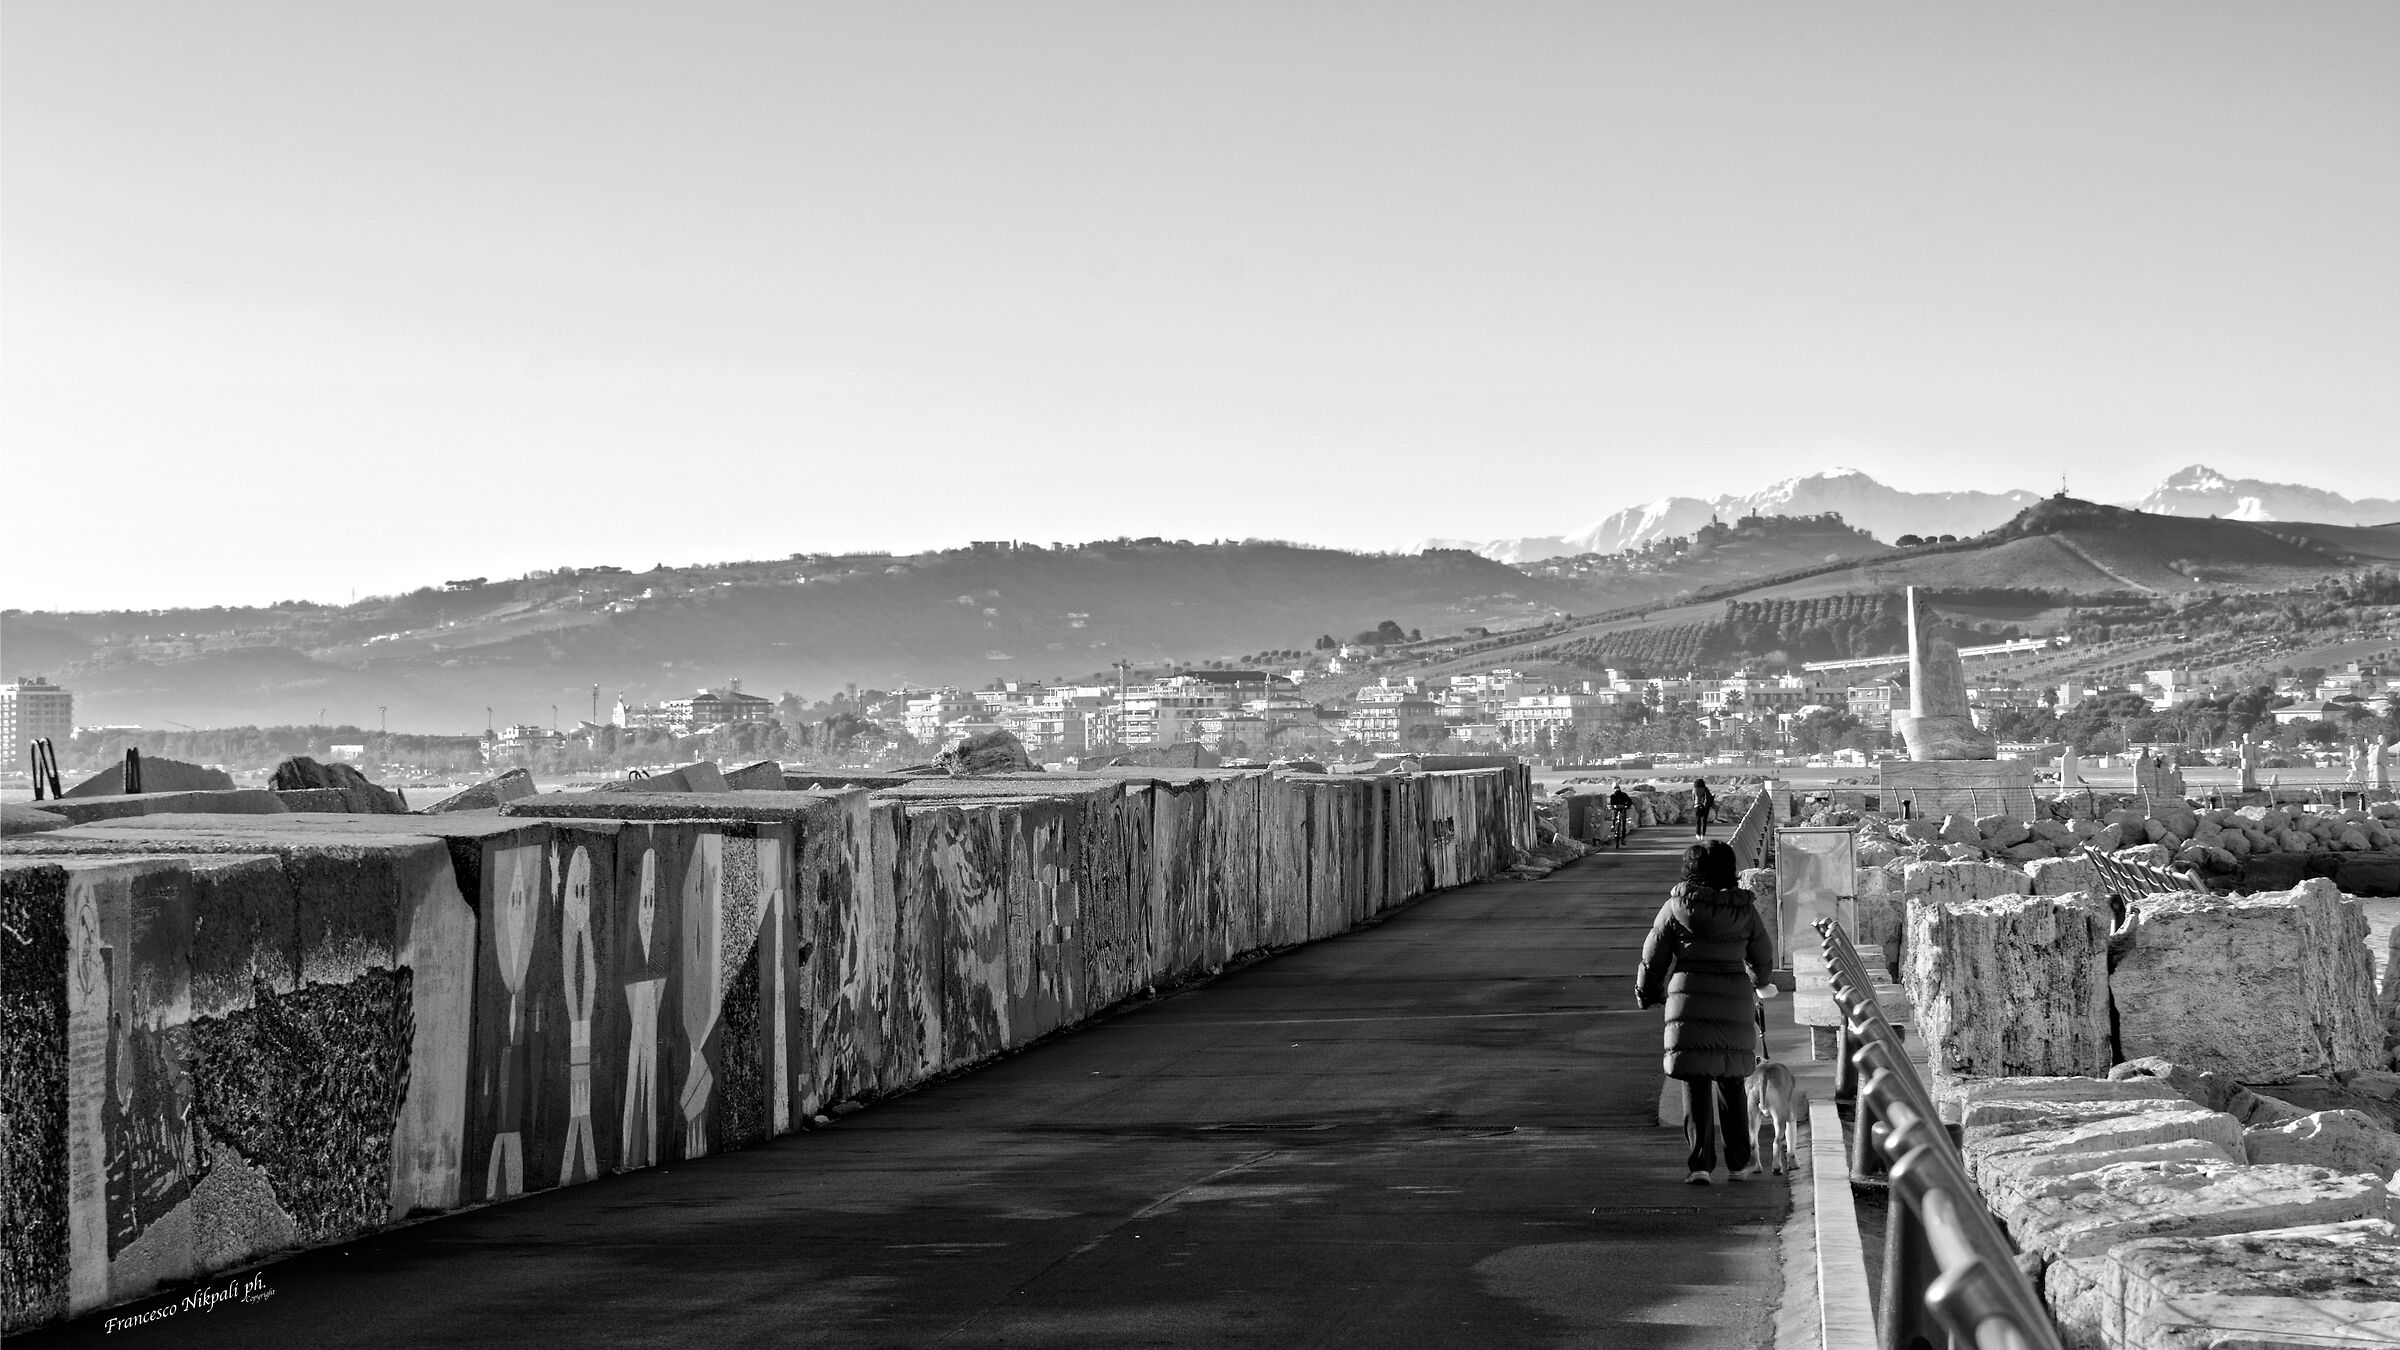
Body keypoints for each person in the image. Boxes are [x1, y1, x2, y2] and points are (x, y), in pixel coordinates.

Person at [1635, 840, 1776, 1184]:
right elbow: (1761, 956)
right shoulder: (1744, 910)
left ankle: (1700, 1165)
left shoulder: (1675, 908)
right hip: (1734, 998)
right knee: (1731, 1081)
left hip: (1689, 998)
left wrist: (1647, 994)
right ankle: (1740, 1163)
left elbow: (1653, 959)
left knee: (1695, 1082)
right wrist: (1760, 983)